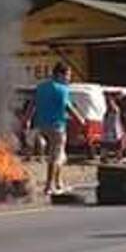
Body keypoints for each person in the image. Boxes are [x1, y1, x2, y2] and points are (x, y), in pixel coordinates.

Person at [34, 62, 83, 196]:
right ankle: (49, 186)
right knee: (55, 157)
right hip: (56, 127)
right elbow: (68, 106)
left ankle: (58, 182)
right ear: (59, 74)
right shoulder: (62, 89)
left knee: (60, 155)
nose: (69, 79)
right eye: (67, 75)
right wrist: (80, 120)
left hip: (41, 125)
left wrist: (26, 120)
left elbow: (33, 104)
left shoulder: (41, 87)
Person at [100, 96, 123, 162]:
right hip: (111, 130)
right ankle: (105, 157)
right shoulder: (109, 111)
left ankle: (106, 157)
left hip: (111, 130)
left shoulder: (111, 111)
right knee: (114, 145)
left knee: (112, 145)